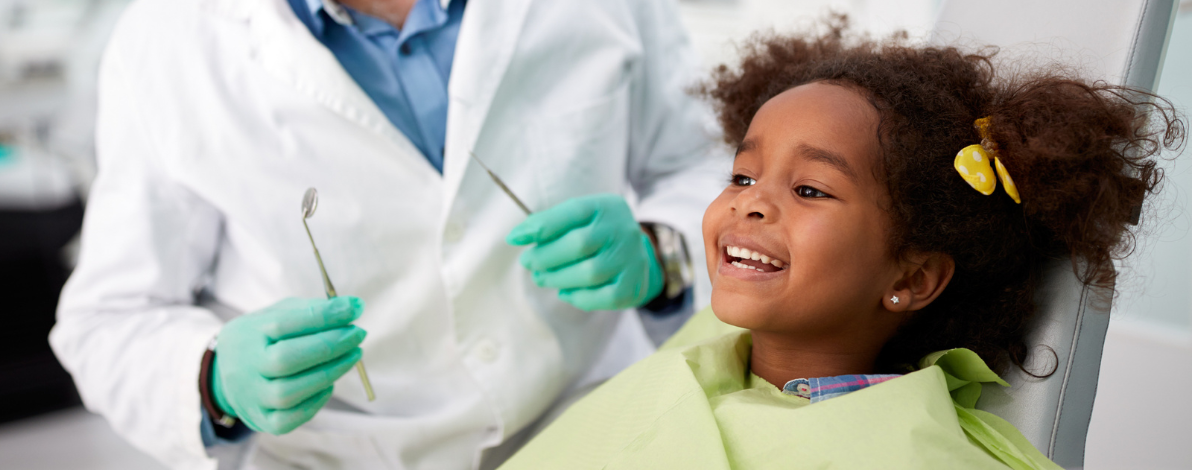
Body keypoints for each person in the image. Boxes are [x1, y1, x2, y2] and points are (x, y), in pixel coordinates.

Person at [48, 0, 726, 467]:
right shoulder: (171, 40)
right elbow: (107, 320)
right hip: (338, 455)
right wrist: (214, 376)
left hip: (593, 423)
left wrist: (662, 249)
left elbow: (712, 166)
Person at [498, 18, 1183, 469]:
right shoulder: (703, 348)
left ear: (913, 279)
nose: (750, 201)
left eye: (809, 190)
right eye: (741, 173)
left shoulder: (912, 453)